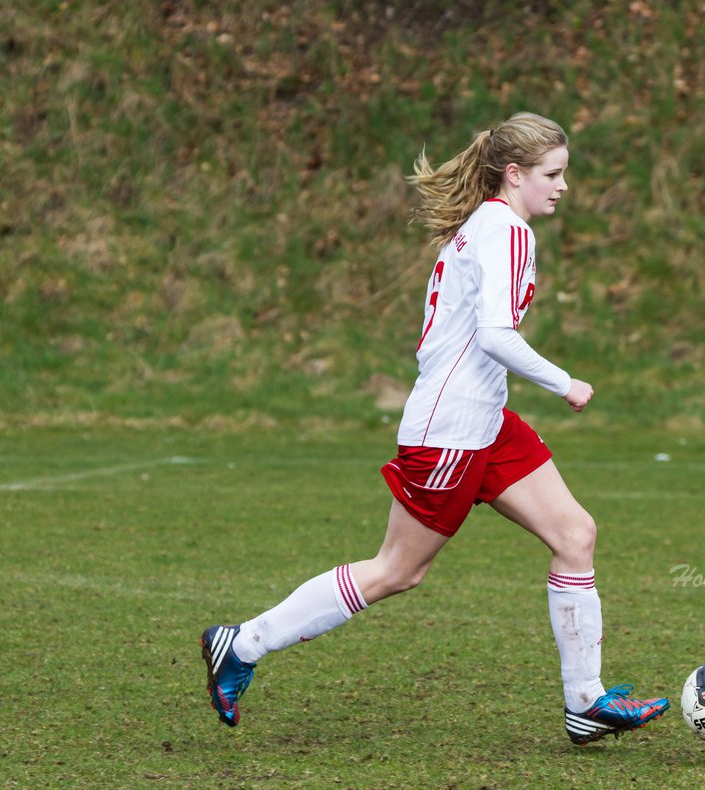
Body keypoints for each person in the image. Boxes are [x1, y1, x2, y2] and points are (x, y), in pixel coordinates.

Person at [201, 112, 669, 745]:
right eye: (553, 175)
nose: (563, 187)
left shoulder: (487, 225)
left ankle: (586, 704)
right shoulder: (505, 230)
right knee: (397, 569)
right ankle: (244, 643)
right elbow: (495, 336)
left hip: (486, 422)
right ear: (514, 175)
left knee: (574, 533)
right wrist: (566, 383)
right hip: (450, 431)